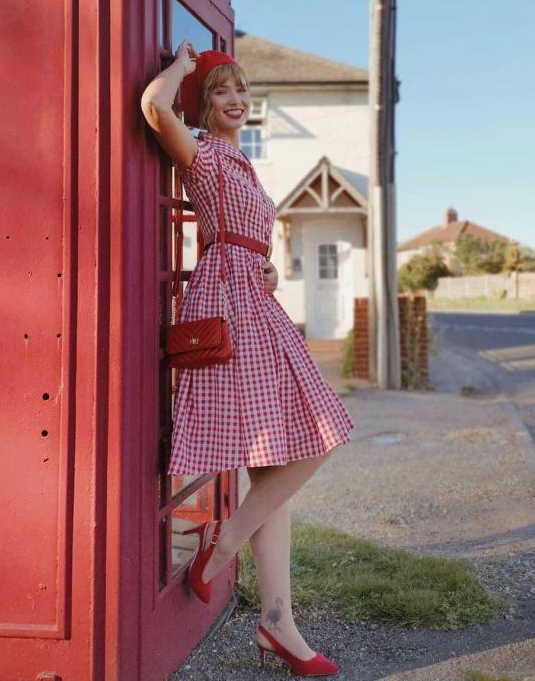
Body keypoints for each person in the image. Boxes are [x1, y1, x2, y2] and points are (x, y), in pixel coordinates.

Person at [140, 40, 355, 676]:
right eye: (220, 93)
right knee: (314, 436)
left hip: (253, 302)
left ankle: (277, 621)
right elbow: (153, 107)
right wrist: (180, 69)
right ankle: (225, 543)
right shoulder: (203, 156)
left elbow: (248, 236)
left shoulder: (243, 165)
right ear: (204, 108)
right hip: (227, 309)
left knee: (281, 458)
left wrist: (265, 269)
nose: (235, 100)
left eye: (240, 91)